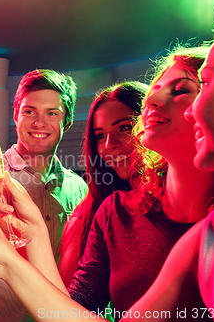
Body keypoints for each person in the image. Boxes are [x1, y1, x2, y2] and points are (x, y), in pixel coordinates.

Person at [0, 9, 214, 322]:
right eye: (156, 88)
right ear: (15, 116)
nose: (152, 101)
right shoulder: (210, 232)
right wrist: (32, 237)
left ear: (65, 122)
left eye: (189, 88)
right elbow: (71, 308)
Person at [0, 69, 88, 322]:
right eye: (29, 111)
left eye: (51, 113)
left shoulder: (79, 188)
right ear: (15, 116)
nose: (39, 123)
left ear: (68, 121)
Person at [59, 81, 148, 286]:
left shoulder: (184, 199)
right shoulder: (93, 211)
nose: (109, 145)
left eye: (124, 128)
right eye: (100, 136)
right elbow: (68, 297)